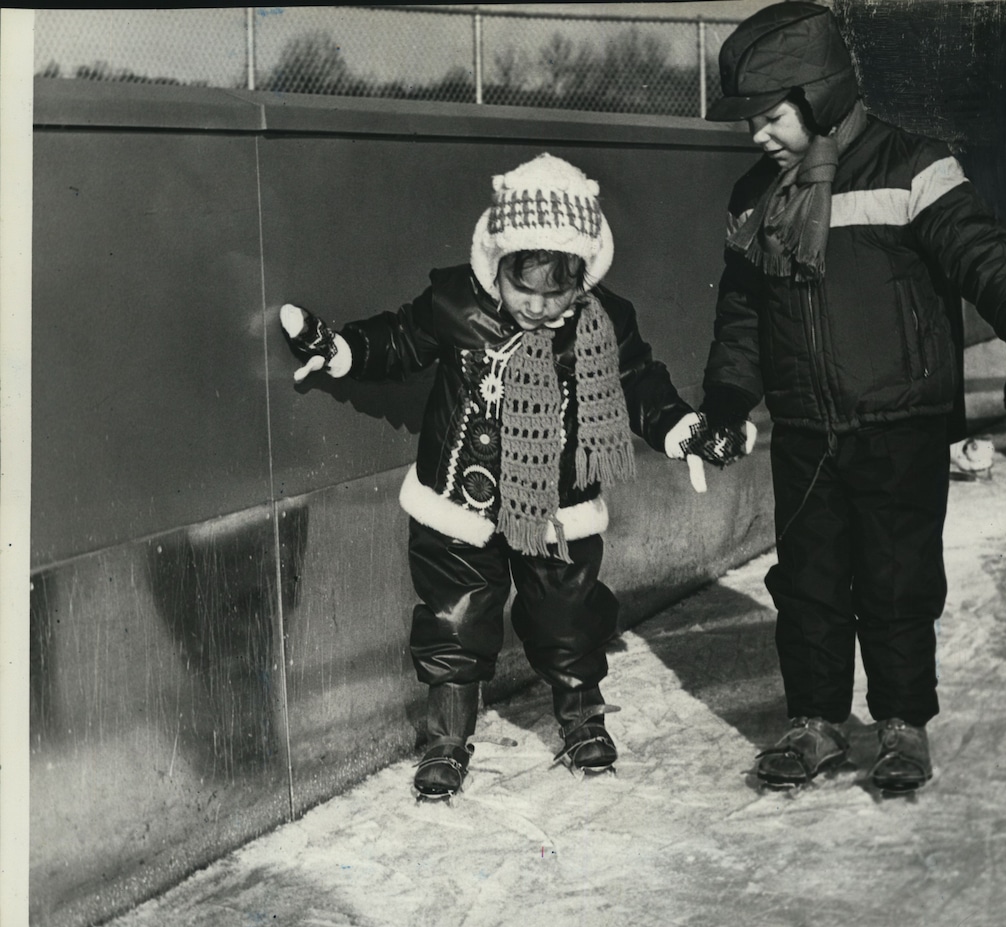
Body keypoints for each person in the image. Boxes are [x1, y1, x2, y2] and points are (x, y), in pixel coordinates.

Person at [697, 2, 1006, 793]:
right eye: (749, 120)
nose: (756, 134)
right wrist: (727, 399)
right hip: (804, 423)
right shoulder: (756, 196)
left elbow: (981, 252)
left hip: (901, 420)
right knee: (808, 583)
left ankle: (901, 724)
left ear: (821, 93)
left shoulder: (912, 163)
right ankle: (817, 722)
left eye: (769, 116)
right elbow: (743, 313)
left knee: (897, 582)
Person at [280, 153, 718, 800]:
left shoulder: (604, 324)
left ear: (583, 277)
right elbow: (400, 341)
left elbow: (638, 385)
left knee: (567, 614)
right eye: (525, 290)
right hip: (460, 502)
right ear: (498, 264)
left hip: (556, 509)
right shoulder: (457, 303)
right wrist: (340, 350)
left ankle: (581, 717)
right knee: (454, 621)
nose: (539, 307)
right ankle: (446, 740)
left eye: (556, 293)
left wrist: (680, 428)